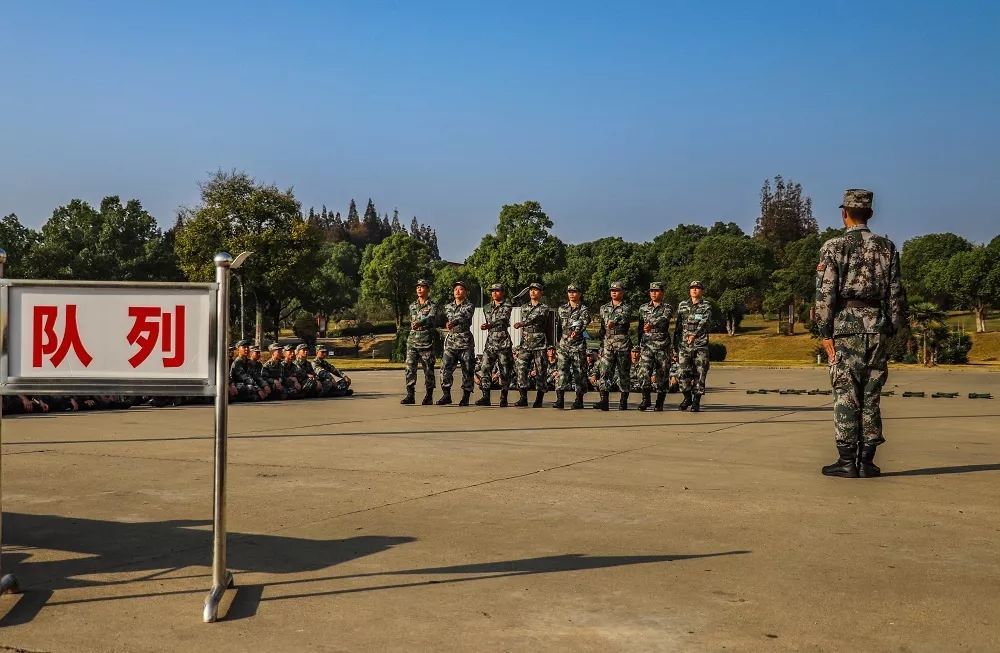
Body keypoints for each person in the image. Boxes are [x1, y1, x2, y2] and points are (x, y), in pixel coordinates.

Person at [815, 189, 907, 478]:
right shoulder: (887, 247)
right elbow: (896, 294)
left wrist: (824, 331)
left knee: (846, 393)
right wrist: (892, 327)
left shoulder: (834, 246)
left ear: (844, 213)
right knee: (871, 393)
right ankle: (867, 461)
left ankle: (846, 461)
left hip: (847, 328)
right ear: (870, 214)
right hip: (877, 326)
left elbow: (826, 292)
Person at [675, 281, 712, 412]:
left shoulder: (706, 305)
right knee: (682, 373)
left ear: (701, 291)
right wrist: (676, 344)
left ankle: (696, 401)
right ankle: (687, 397)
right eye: (692, 288)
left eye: (697, 288)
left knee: (700, 373)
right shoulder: (682, 305)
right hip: (684, 346)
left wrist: (694, 335)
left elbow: (704, 321)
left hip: (700, 345)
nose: (694, 290)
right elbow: (679, 325)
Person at [636, 281, 674, 411]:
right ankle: (646, 399)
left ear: (662, 293)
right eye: (651, 291)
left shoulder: (667, 307)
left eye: (656, 291)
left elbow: (664, 319)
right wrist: (639, 343)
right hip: (647, 345)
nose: (653, 293)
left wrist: (651, 324)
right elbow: (640, 326)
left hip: (662, 345)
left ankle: (659, 402)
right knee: (643, 372)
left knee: (662, 374)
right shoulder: (643, 308)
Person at [437, 280, 476, 406]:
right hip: (452, 341)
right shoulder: (448, 306)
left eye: (460, 289)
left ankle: (465, 397)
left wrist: (453, 322)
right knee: (445, 368)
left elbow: (463, 316)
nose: (457, 291)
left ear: (465, 292)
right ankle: (446, 394)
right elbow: (444, 318)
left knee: (468, 369)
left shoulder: (469, 306)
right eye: (455, 289)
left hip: (465, 341)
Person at [595, 281, 632, 411]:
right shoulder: (604, 308)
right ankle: (604, 400)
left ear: (622, 292)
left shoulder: (626, 307)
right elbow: (601, 327)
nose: (614, 292)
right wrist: (601, 344)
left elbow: (623, 317)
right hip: (607, 342)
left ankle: (623, 401)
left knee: (623, 372)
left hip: (622, 343)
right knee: (605, 371)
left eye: (617, 290)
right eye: (612, 290)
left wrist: (613, 321)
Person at [475, 283, 514, 407]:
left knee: (504, 370)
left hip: (503, 342)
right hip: (491, 341)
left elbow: (503, 319)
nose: (494, 293)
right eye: (492, 291)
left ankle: (504, 397)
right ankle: (486, 396)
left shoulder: (507, 305)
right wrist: (486, 326)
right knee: (485, 368)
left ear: (502, 292)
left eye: (497, 291)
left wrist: (489, 325)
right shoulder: (486, 307)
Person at [402, 279, 439, 405]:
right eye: (417, 287)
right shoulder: (412, 305)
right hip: (412, 341)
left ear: (427, 289)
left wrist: (420, 323)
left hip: (426, 341)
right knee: (409, 368)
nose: (419, 289)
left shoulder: (432, 305)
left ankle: (429, 396)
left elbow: (431, 318)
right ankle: (410, 394)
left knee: (428, 370)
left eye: (422, 287)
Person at [513, 282, 550, 407]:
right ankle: (523, 397)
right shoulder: (524, 307)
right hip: (526, 342)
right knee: (521, 368)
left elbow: (537, 318)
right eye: (531, 290)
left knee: (540, 371)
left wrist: (523, 324)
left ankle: (539, 398)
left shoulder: (544, 307)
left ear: (541, 293)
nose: (532, 292)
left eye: (536, 290)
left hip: (539, 342)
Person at [553, 283, 590, 409]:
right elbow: (558, 326)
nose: (572, 294)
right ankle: (560, 399)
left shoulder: (583, 309)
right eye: (570, 292)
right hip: (563, 344)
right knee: (561, 370)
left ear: (579, 294)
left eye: (574, 292)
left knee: (579, 372)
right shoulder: (561, 308)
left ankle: (579, 399)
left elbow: (584, 322)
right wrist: (558, 342)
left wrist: (577, 331)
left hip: (578, 345)